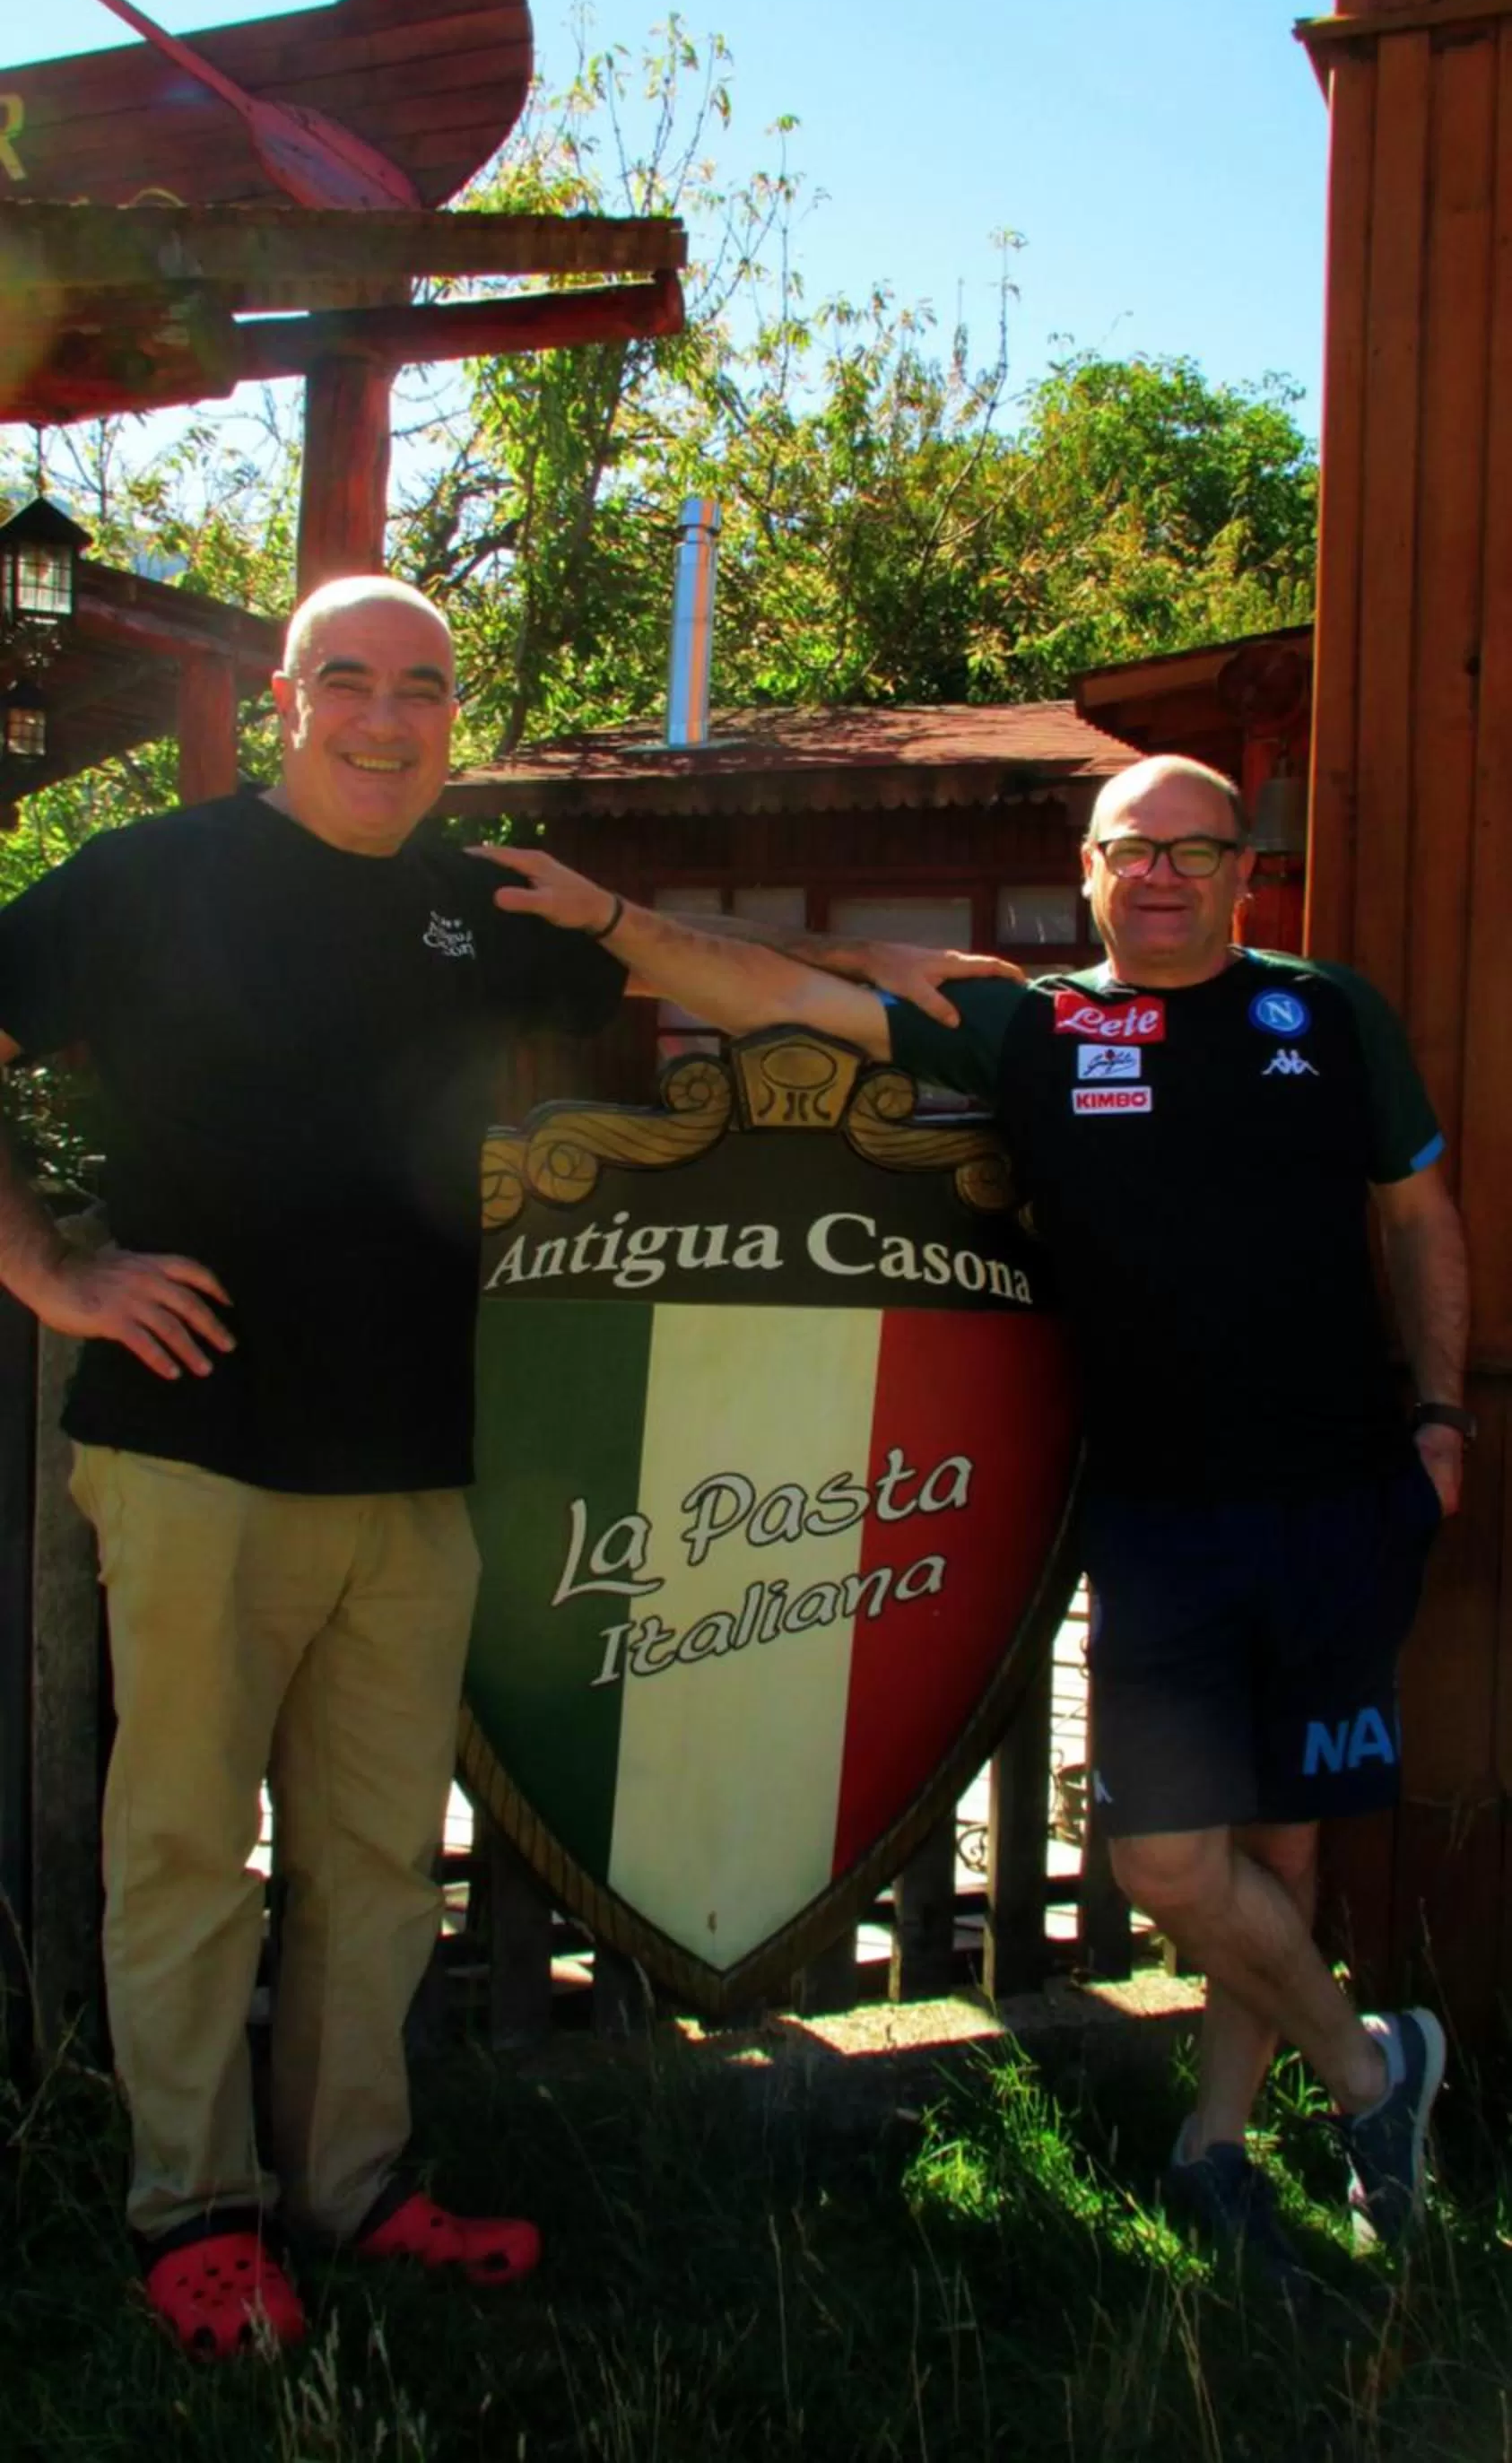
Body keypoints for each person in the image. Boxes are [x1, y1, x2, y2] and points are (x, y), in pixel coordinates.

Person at [0, 574, 1006, 2356]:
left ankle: (356, 2190)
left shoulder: (474, 902)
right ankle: (198, 2212)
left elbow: (673, 954)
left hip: (416, 1464)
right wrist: (48, 1267)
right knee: (181, 1858)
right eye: (350, 681)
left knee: (378, 1865)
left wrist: (874, 975)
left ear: (452, 713)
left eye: (423, 687)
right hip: (197, 1450)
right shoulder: (152, 881)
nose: (387, 716)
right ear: (290, 696)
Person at [491, 753, 1467, 2293]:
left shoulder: (1326, 1013)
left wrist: (1438, 1419)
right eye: (1129, 851)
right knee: (1163, 1856)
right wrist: (611, 913)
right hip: (1155, 1509)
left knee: (1280, 1841)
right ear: (1083, 872)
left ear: (1239, 874)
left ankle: (1216, 2152)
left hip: (1344, 1495)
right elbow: (766, 992)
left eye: (1192, 852)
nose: (1158, 875)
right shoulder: (1028, 1021)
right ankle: (1371, 2076)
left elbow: (1417, 1215)